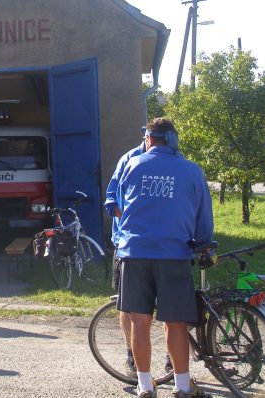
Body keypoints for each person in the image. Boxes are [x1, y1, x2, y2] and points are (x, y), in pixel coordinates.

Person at [114, 118, 213, 398]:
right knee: (176, 323)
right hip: (173, 254)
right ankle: (183, 386)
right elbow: (203, 215)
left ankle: (145, 386)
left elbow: (119, 206)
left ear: (148, 139)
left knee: (140, 322)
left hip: (135, 254)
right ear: (173, 140)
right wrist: (204, 245)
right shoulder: (192, 170)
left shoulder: (131, 165)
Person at [103, 139, 146, 375]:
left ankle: (171, 358)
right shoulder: (128, 160)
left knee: (169, 307)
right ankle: (130, 354)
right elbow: (111, 201)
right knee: (127, 304)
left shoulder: (171, 158)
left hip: (161, 246)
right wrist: (133, 224)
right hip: (127, 245)